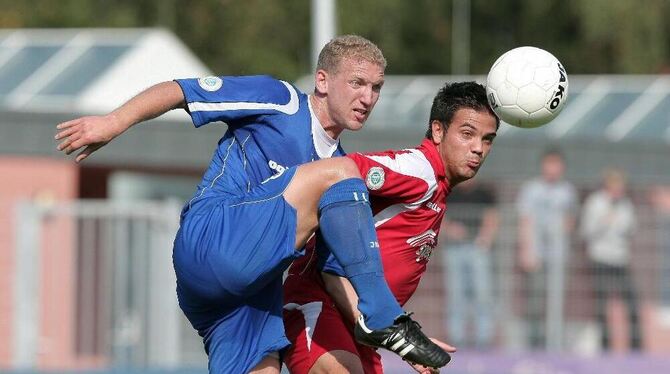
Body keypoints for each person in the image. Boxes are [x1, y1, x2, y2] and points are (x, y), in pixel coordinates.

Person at [55, 35, 449, 373]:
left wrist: (389, 335)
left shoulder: (339, 191)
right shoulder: (281, 101)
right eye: (358, 83)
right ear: (323, 80)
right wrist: (113, 122)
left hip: (246, 296)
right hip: (212, 237)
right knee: (342, 172)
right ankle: (384, 315)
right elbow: (182, 89)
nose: (368, 97)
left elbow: (333, 272)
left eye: (376, 87)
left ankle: (380, 317)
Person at [283, 81, 499, 373]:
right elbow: (340, 170)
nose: (478, 148)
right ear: (438, 130)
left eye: (488, 139)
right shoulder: (418, 170)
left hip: (365, 330)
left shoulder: (437, 189)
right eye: (467, 134)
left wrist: (404, 339)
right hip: (318, 305)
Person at [516, 148, 577, 350]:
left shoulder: (567, 191)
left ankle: (554, 345)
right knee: (535, 301)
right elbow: (525, 220)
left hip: (558, 254)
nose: (553, 169)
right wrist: (527, 251)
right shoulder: (532, 189)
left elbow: (571, 219)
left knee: (556, 301)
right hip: (536, 254)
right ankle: (534, 344)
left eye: (556, 164)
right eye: (549, 164)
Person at [580, 168, 641, 351]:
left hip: (620, 260)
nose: (618, 190)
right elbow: (585, 231)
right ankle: (605, 346)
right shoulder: (595, 203)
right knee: (601, 306)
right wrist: (604, 222)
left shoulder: (626, 205)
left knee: (631, 302)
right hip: (600, 259)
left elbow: (632, 228)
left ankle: (636, 347)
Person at [440, 177, 499, 350]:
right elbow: (440, 217)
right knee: (456, 294)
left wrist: (485, 238)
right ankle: (456, 338)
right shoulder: (449, 192)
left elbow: (492, 217)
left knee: (483, 293)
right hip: (454, 249)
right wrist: (451, 231)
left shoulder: (485, 193)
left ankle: (484, 338)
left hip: (477, 249)